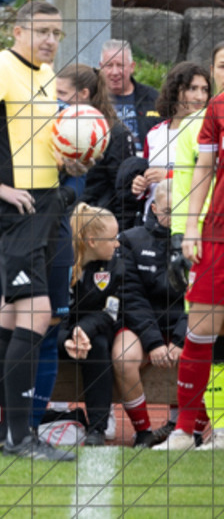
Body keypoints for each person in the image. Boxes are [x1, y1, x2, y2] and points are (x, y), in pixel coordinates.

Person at [0, 0, 78, 461]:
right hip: (17, 208)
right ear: (18, 31)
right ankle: (22, 437)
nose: (50, 40)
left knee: (12, 317)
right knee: (36, 315)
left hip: (45, 202)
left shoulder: (45, 73)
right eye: (42, 31)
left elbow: (40, 139)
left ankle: (0, 434)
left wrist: (70, 161)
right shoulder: (1, 67)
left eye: (57, 33)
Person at [162, 55, 224, 450]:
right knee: (200, 332)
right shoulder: (217, 109)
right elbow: (205, 167)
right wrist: (190, 228)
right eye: (222, 65)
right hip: (217, 234)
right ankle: (185, 430)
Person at [113, 180, 183, 448]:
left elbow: (199, 299)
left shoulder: (199, 241)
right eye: (167, 210)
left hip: (182, 326)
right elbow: (130, 296)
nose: (173, 217)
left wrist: (178, 340)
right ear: (153, 207)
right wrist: (154, 342)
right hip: (143, 327)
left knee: (202, 350)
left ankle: (186, 426)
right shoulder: (130, 239)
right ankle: (143, 431)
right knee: (122, 357)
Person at [120, 62, 211, 229]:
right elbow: (149, 180)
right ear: (175, 90)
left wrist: (168, 176)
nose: (200, 97)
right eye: (192, 88)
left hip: (189, 225)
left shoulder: (209, 132)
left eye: (205, 90)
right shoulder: (155, 133)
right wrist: (141, 186)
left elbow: (211, 179)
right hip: (152, 224)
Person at [60, 203, 122, 447]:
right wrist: (66, 336)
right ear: (92, 240)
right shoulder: (59, 261)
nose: (117, 244)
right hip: (57, 332)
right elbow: (49, 311)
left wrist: (81, 330)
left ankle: (97, 427)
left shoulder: (115, 265)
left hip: (91, 332)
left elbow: (110, 311)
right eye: (112, 238)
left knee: (97, 345)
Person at [55, 63, 135, 227]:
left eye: (62, 93)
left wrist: (118, 235)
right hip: (62, 219)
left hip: (96, 225)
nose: (56, 99)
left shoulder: (115, 133)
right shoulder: (57, 127)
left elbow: (122, 190)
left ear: (84, 93)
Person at [98, 40, 161, 153]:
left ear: (132, 67)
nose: (115, 72)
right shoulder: (92, 101)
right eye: (109, 66)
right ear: (101, 67)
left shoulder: (153, 98)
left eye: (120, 65)